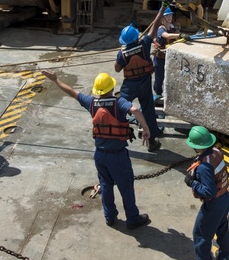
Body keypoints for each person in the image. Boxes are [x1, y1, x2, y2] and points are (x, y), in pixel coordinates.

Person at [42, 69, 152, 230]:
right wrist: (146, 128)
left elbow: (72, 92)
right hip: (118, 156)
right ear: (110, 88)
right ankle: (132, 219)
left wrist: (55, 80)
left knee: (105, 184)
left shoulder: (91, 103)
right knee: (125, 186)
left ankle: (110, 216)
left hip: (100, 155)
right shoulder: (118, 103)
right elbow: (134, 110)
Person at [184, 125, 229, 260]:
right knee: (222, 228)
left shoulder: (204, 166)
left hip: (213, 204)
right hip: (225, 198)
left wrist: (192, 183)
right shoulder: (217, 153)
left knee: (200, 236)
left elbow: (208, 191)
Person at [114, 6, 165, 152]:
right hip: (144, 83)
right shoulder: (144, 44)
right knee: (148, 109)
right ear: (136, 36)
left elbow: (117, 69)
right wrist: (161, 9)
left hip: (130, 85)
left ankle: (116, 134)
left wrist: (120, 58)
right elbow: (154, 27)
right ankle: (152, 141)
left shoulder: (122, 53)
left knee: (120, 106)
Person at [153, 7, 184, 101]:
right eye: (167, 16)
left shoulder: (172, 27)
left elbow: (176, 34)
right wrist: (179, 35)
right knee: (160, 77)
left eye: (170, 15)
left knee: (169, 76)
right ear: (162, 18)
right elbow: (166, 36)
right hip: (160, 58)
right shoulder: (161, 29)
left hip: (169, 57)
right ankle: (158, 95)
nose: (169, 17)